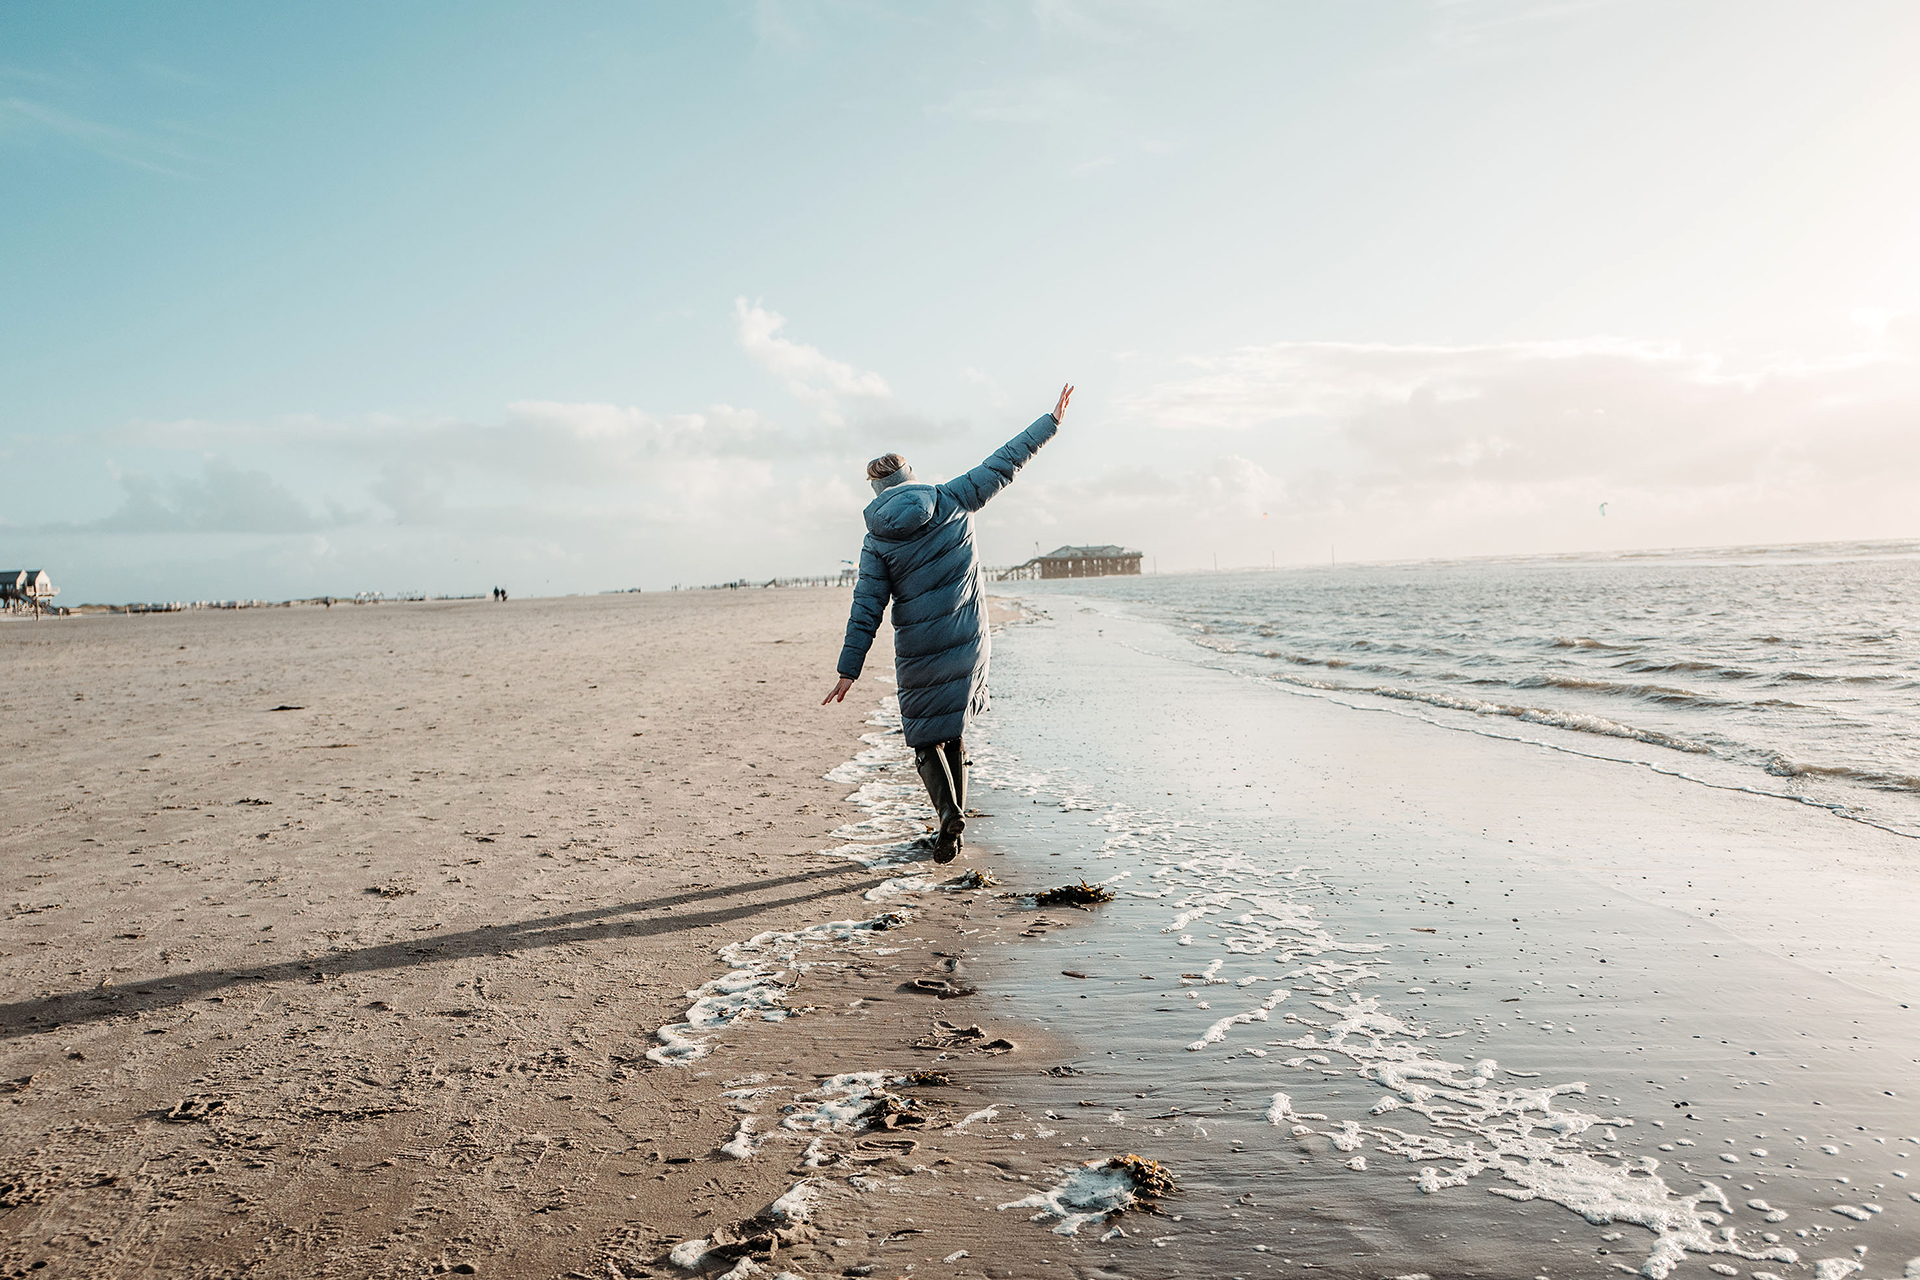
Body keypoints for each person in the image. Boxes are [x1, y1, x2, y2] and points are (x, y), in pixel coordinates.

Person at [823, 384, 1073, 862]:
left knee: (922, 737)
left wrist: (848, 669)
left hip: (917, 647)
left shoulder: (876, 540)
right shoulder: (954, 496)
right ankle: (953, 825)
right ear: (910, 475)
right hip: (967, 638)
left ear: (876, 489)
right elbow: (1007, 460)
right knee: (953, 730)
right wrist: (1052, 421)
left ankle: (948, 814)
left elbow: (866, 606)